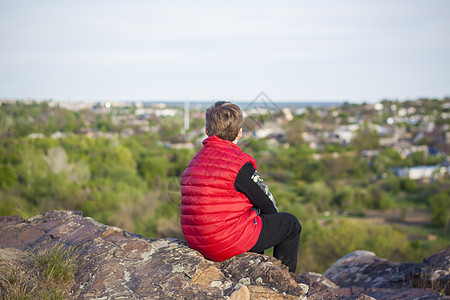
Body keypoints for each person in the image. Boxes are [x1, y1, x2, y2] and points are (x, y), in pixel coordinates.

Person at [180, 101, 301, 273]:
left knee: (251, 218)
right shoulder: (238, 164)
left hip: (196, 240)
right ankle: (286, 279)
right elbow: (269, 205)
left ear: (207, 131)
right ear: (240, 133)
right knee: (290, 224)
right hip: (223, 242)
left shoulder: (194, 162)